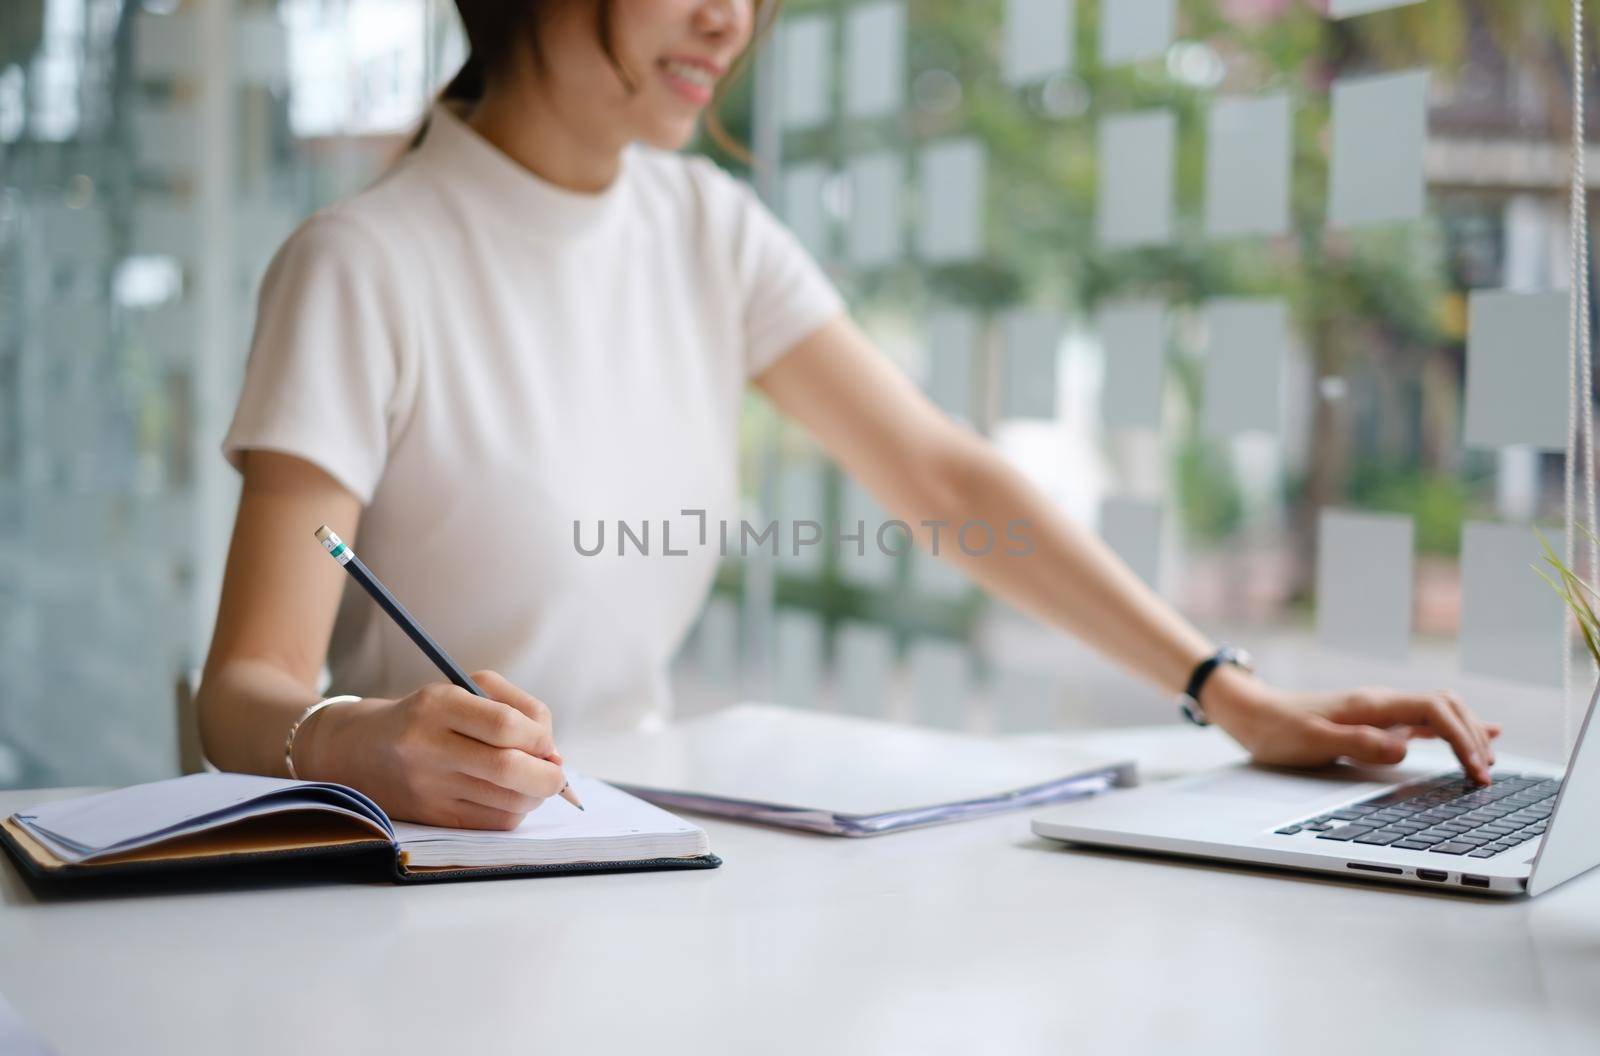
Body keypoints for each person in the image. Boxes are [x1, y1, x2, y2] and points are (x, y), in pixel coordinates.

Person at [197, 0, 1499, 830]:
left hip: (641, 841)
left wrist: (1231, 693)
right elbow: (242, 693)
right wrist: (363, 741)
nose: (731, 21)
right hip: (432, 877)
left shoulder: (704, 227)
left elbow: (942, 479)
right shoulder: (364, 264)